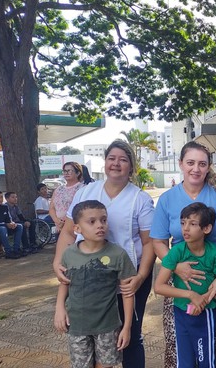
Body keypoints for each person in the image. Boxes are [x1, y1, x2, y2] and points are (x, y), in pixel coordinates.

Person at [53, 140, 155, 368]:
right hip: (90, 278)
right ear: (105, 161)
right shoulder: (87, 192)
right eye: (112, 158)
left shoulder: (140, 199)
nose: (116, 164)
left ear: (131, 166)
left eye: (123, 159)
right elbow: (69, 232)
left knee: (129, 336)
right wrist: (57, 262)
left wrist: (140, 276)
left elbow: (150, 243)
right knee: (90, 336)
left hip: (129, 277)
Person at [150, 141, 216, 368]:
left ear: (208, 167)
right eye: (190, 162)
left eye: (202, 164)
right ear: (181, 164)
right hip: (182, 280)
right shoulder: (167, 199)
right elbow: (158, 241)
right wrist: (175, 267)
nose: (196, 169)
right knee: (178, 339)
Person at [54, 200, 136, 368]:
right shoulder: (69, 254)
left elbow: (128, 293)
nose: (100, 225)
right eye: (92, 222)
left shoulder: (118, 254)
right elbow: (64, 282)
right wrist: (59, 308)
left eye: (103, 220)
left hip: (107, 326)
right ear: (77, 228)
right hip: (76, 325)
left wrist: (127, 327)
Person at [154, 202, 216, 368]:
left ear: (206, 229)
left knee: (205, 360)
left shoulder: (214, 253)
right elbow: (159, 287)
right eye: (183, 223)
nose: (185, 228)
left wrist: (203, 300)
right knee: (184, 362)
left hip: (204, 313)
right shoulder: (177, 251)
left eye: (192, 224)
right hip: (181, 312)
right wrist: (191, 295)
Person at [50, 162, 85, 234]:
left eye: (69, 171)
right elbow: (51, 208)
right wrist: (57, 221)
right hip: (59, 227)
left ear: (78, 173)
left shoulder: (83, 189)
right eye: (64, 171)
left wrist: (67, 222)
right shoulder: (58, 189)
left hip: (74, 228)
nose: (66, 173)